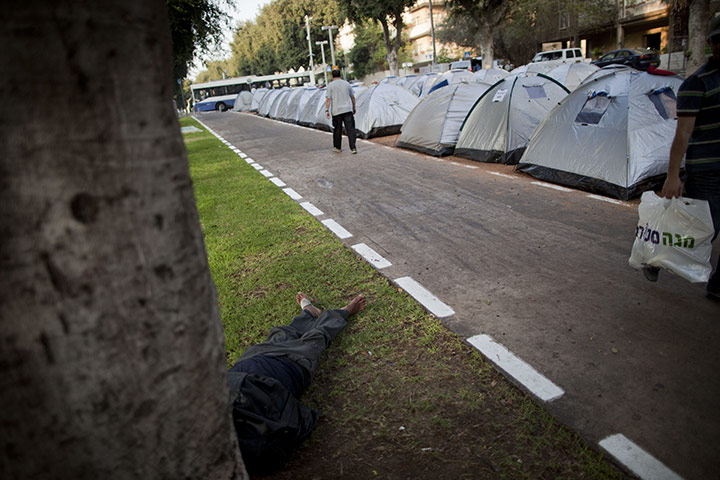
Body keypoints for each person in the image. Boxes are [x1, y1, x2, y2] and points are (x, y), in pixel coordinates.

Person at [227, 292, 366, 473]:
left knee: (282, 333)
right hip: (289, 366)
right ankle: (342, 312)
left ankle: (309, 311)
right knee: (316, 337)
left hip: (253, 358)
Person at [645, 15, 720, 300]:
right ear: (712, 43)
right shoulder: (696, 83)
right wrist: (673, 175)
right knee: (699, 232)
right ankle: (654, 258)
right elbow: (683, 134)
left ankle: (718, 285)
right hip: (708, 170)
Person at [325, 69, 357, 154]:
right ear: (340, 75)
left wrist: (327, 110)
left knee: (337, 130)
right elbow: (352, 97)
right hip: (347, 109)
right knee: (350, 129)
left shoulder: (330, 85)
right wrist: (354, 107)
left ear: (332, 76)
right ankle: (353, 147)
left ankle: (337, 147)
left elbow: (328, 99)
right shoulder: (346, 84)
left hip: (336, 111)